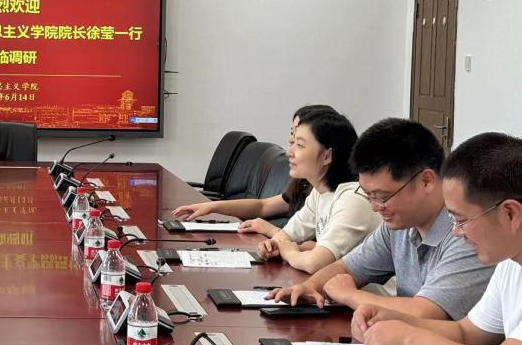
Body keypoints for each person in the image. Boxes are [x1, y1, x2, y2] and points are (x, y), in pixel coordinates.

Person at [354, 132, 522, 345]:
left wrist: (409, 339)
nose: (456, 232)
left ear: (510, 213)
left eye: (461, 220)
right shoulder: (510, 263)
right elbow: (467, 333)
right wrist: (393, 321)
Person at [271, 118, 494, 319]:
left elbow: (426, 312)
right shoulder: (399, 227)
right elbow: (347, 269)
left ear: (426, 181)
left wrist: (349, 295)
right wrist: (310, 287)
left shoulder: (467, 233)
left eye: (382, 196)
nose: (375, 207)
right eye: (368, 195)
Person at [172, 104, 335, 237]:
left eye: (300, 141)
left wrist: (271, 231)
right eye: (293, 133)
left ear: (327, 154)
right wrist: (212, 207)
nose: (290, 148)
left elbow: (321, 253)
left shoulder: (336, 194)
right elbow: (264, 206)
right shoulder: (306, 184)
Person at [256, 109, 380, 273]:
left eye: (299, 145)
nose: (289, 152)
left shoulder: (353, 198)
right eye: (293, 143)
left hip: (371, 289)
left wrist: (290, 252)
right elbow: (286, 236)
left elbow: (314, 264)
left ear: (327, 156)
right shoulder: (319, 192)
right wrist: (271, 245)